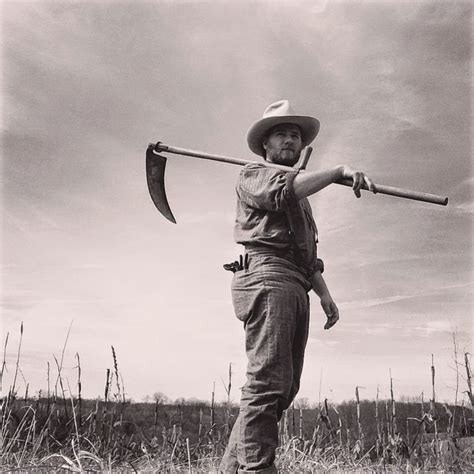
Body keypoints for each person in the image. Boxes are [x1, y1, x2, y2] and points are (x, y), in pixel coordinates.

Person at [220, 100, 375, 474]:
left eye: (295, 135)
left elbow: (305, 254)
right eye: (281, 134)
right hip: (268, 278)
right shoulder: (254, 174)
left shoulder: (301, 198)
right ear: (266, 145)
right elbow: (282, 192)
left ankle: (229, 469)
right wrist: (338, 170)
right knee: (267, 382)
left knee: (283, 388)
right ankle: (258, 469)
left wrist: (324, 294)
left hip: (295, 283)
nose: (289, 139)